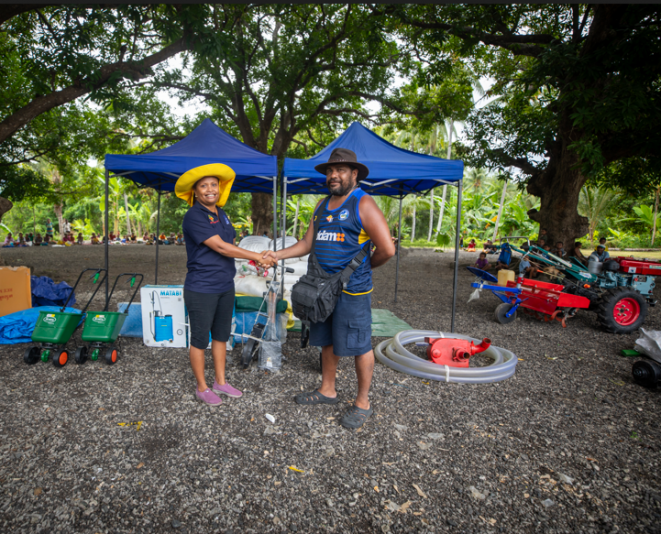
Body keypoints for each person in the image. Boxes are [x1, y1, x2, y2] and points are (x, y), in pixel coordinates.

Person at [262, 148, 396, 429]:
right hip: (321, 289)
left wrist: (364, 268)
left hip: (352, 291)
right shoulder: (322, 206)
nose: (334, 175)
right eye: (330, 171)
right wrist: (276, 254)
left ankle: (362, 402)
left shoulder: (363, 203)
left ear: (354, 174)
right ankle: (327, 390)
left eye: (341, 170)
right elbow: (306, 244)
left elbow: (386, 249)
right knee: (326, 340)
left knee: (360, 345)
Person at [176, 163, 276, 406]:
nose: (210, 189)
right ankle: (202, 386)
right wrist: (256, 256)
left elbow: (230, 248)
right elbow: (220, 246)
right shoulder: (194, 215)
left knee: (221, 336)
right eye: (204, 186)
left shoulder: (221, 214)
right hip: (201, 286)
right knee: (200, 339)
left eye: (214, 185)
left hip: (224, 285)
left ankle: (220, 382)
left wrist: (256, 263)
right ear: (196, 192)